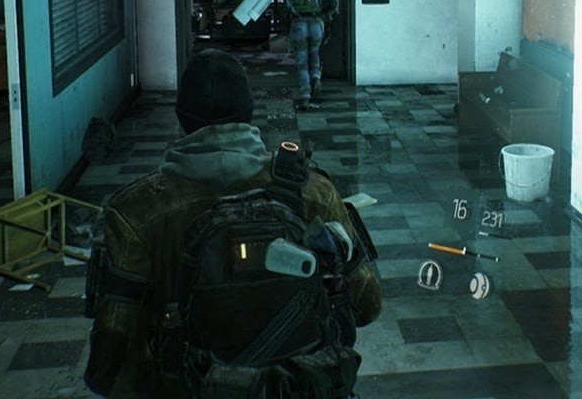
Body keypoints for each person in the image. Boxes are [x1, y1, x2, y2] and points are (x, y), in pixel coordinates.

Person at [84, 49, 382, 398]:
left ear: (181, 117)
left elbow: (110, 369)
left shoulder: (134, 211)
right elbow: (367, 305)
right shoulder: (314, 192)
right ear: (248, 113)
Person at [284, 0, 337, 109]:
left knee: (301, 61)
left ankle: (305, 96)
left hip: (299, 24)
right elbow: (333, 4)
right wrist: (324, 17)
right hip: (316, 24)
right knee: (314, 53)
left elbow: (286, 8)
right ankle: (315, 77)